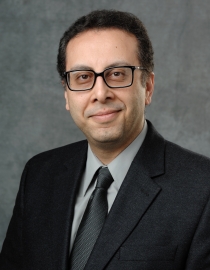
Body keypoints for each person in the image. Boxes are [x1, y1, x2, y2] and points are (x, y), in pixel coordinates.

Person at [0, 9, 210, 270]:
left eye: (118, 74)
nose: (100, 93)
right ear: (67, 95)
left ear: (148, 87)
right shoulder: (39, 175)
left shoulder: (202, 189)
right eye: (83, 77)